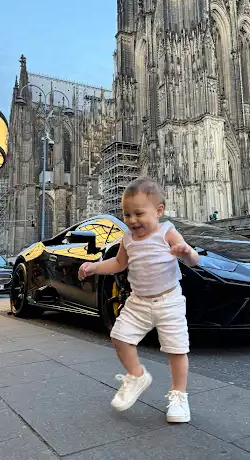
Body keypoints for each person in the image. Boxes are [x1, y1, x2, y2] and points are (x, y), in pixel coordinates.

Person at [78, 177, 199, 423]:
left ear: (159, 211)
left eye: (139, 214)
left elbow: (194, 260)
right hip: (139, 301)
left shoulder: (167, 231)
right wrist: (93, 267)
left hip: (168, 300)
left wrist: (186, 253)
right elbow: (118, 264)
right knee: (119, 337)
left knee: (176, 350)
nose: (132, 220)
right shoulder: (128, 239)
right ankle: (136, 375)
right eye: (127, 214)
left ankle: (179, 396)